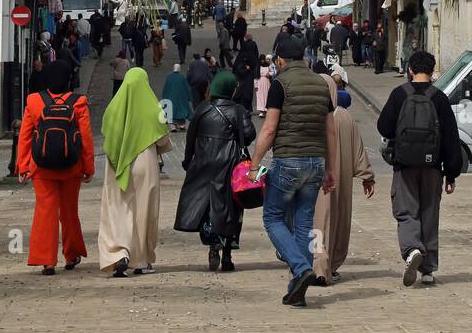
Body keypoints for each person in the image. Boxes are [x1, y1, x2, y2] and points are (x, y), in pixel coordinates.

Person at [247, 34, 336, 308]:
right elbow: (330, 131)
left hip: (288, 162)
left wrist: (255, 163)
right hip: (315, 164)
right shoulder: (322, 85)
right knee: (305, 224)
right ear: (304, 57)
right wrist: (329, 168)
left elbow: (270, 128)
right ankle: (298, 291)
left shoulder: (280, 84)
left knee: (273, 218)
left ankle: (300, 268)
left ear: (281, 59)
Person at [376, 49, 464, 288]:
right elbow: (450, 138)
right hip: (433, 167)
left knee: (406, 212)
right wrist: (451, 172)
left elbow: (384, 127)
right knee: (429, 214)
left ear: (410, 70)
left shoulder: (399, 94)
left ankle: (412, 249)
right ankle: (428, 270)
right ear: (432, 71)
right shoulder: (439, 98)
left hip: (404, 166)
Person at [174, 69, 257, 272]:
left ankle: (213, 244)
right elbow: (249, 135)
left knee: (208, 208)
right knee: (231, 208)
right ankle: (227, 254)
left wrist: (188, 160)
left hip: (203, 163)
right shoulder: (238, 111)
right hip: (230, 164)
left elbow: (190, 138)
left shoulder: (203, 109)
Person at [17, 60, 94, 274]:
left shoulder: (34, 101)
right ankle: (71, 254)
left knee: (45, 210)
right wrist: (88, 167)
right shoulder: (78, 102)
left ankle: (47, 260)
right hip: (71, 166)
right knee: (69, 211)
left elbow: (25, 136)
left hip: (41, 167)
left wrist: (23, 166)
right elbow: (86, 138)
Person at [98, 67, 172, 276]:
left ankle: (118, 252)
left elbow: (106, 132)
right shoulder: (153, 108)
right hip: (145, 161)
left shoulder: (113, 108)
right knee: (144, 210)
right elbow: (163, 139)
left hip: (117, 162)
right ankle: (140, 260)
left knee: (117, 207)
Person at [311, 74, 375, 286]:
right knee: (337, 223)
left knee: (318, 224)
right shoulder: (345, 117)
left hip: (316, 181)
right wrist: (367, 177)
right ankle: (331, 265)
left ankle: (318, 265)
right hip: (340, 183)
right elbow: (358, 150)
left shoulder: (313, 115)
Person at [232, 29, 260, 111]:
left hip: (242, 77)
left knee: (241, 91)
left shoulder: (241, 55)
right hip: (249, 74)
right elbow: (256, 54)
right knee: (248, 92)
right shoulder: (253, 46)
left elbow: (236, 66)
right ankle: (248, 108)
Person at [161, 64, 192, 131]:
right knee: (181, 111)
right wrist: (189, 97)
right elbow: (187, 88)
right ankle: (182, 125)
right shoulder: (182, 77)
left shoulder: (169, 77)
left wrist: (164, 98)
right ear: (179, 69)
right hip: (181, 98)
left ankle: (173, 126)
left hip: (171, 97)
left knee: (171, 111)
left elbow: (166, 88)